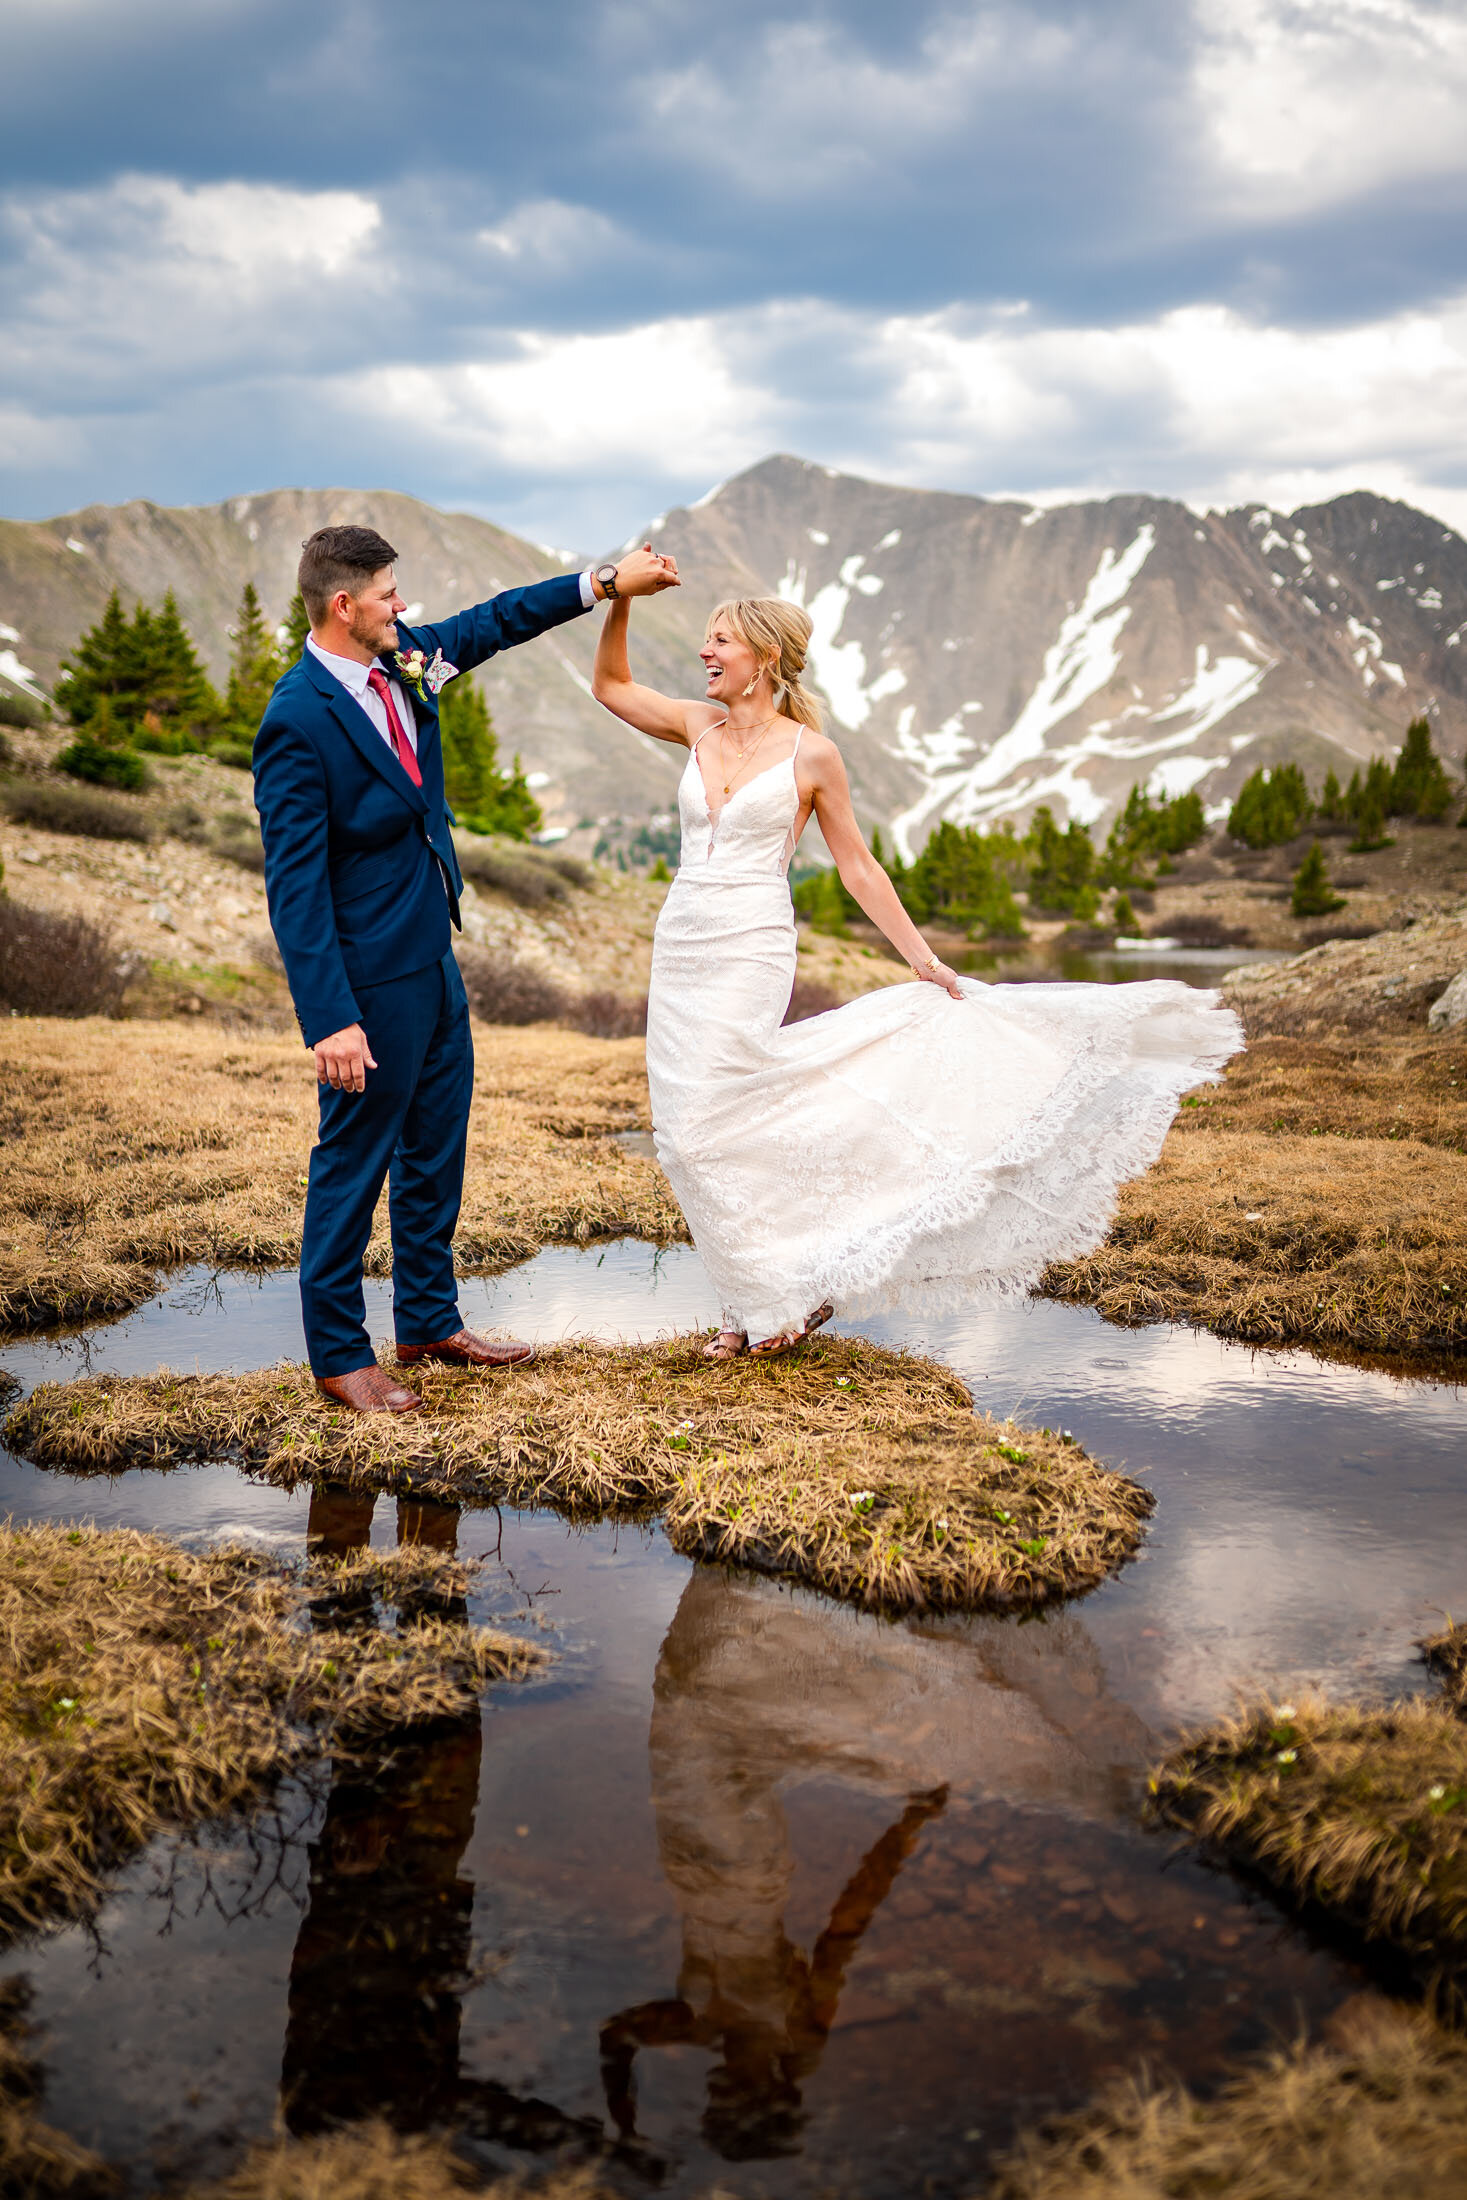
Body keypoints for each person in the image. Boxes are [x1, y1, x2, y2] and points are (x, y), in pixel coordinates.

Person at [591, 588, 1242, 1358]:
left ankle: (763, 1308)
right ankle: (764, 1296)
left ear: (763, 658)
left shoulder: (811, 754)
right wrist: (618, 598)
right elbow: (609, 687)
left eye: (720, 640)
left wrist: (921, 958)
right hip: (682, 943)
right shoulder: (696, 726)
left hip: (749, 944)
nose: (704, 652)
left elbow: (857, 867)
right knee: (682, 1131)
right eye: (706, 640)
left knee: (719, 1116)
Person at [254, 525, 679, 1413]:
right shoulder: (296, 719)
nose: (400, 608)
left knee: (435, 1146)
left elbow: (496, 621)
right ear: (343, 606)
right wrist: (330, 1018)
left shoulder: (404, 659)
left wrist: (603, 583)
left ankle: (427, 1323)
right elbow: (294, 888)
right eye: (385, 596)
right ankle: (339, 1355)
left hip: (431, 953)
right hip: (368, 976)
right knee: (353, 1158)